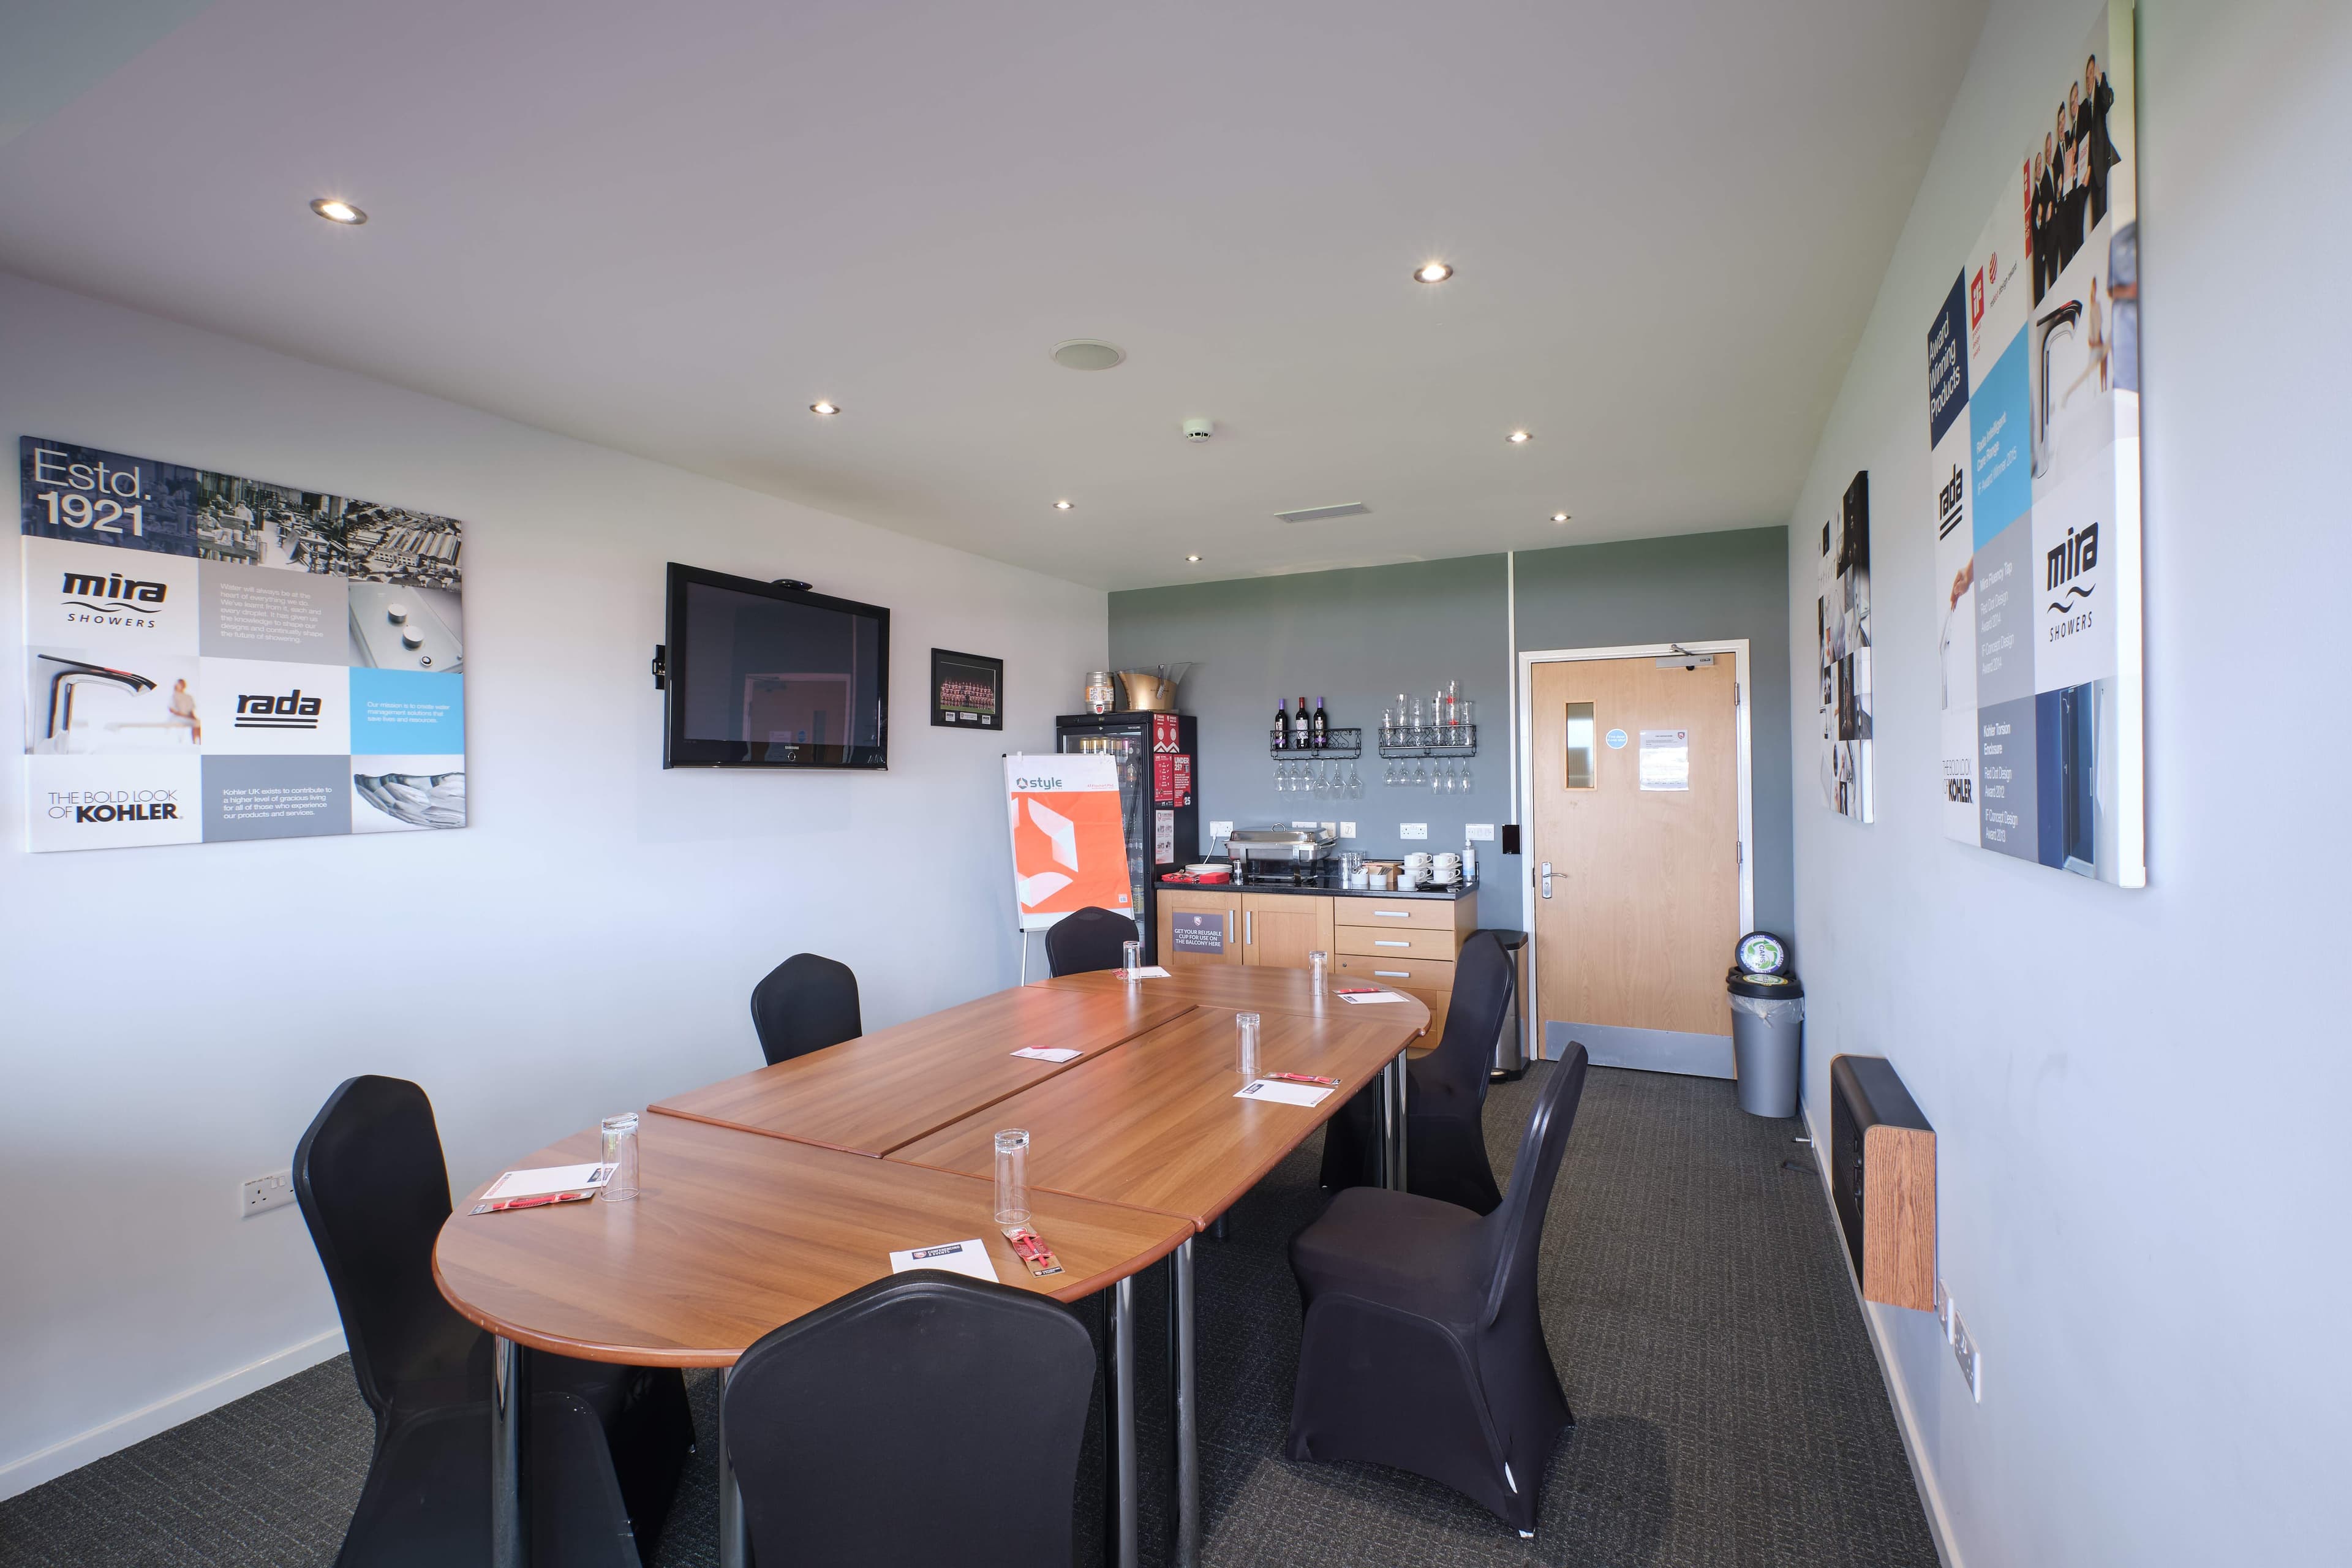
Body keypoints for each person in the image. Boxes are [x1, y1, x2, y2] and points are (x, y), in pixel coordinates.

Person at [2082, 54, 2119, 225]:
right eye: (2087, 76)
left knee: (2105, 217)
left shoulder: (2100, 96)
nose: (2090, 79)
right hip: (2090, 173)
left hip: (2103, 165)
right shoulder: (2085, 107)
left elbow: (2108, 101)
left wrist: (2100, 78)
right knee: (2095, 223)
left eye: (2092, 73)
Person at [168, 678, 201, 743]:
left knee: (198, 723)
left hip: (188, 717)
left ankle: (198, 742)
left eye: (183, 684)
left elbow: (191, 710)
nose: (182, 685)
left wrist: (193, 717)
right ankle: (194, 743)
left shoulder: (189, 697)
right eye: (180, 684)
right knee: (194, 723)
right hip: (178, 718)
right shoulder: (174, 696)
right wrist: (185, 716)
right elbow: (172, 710)